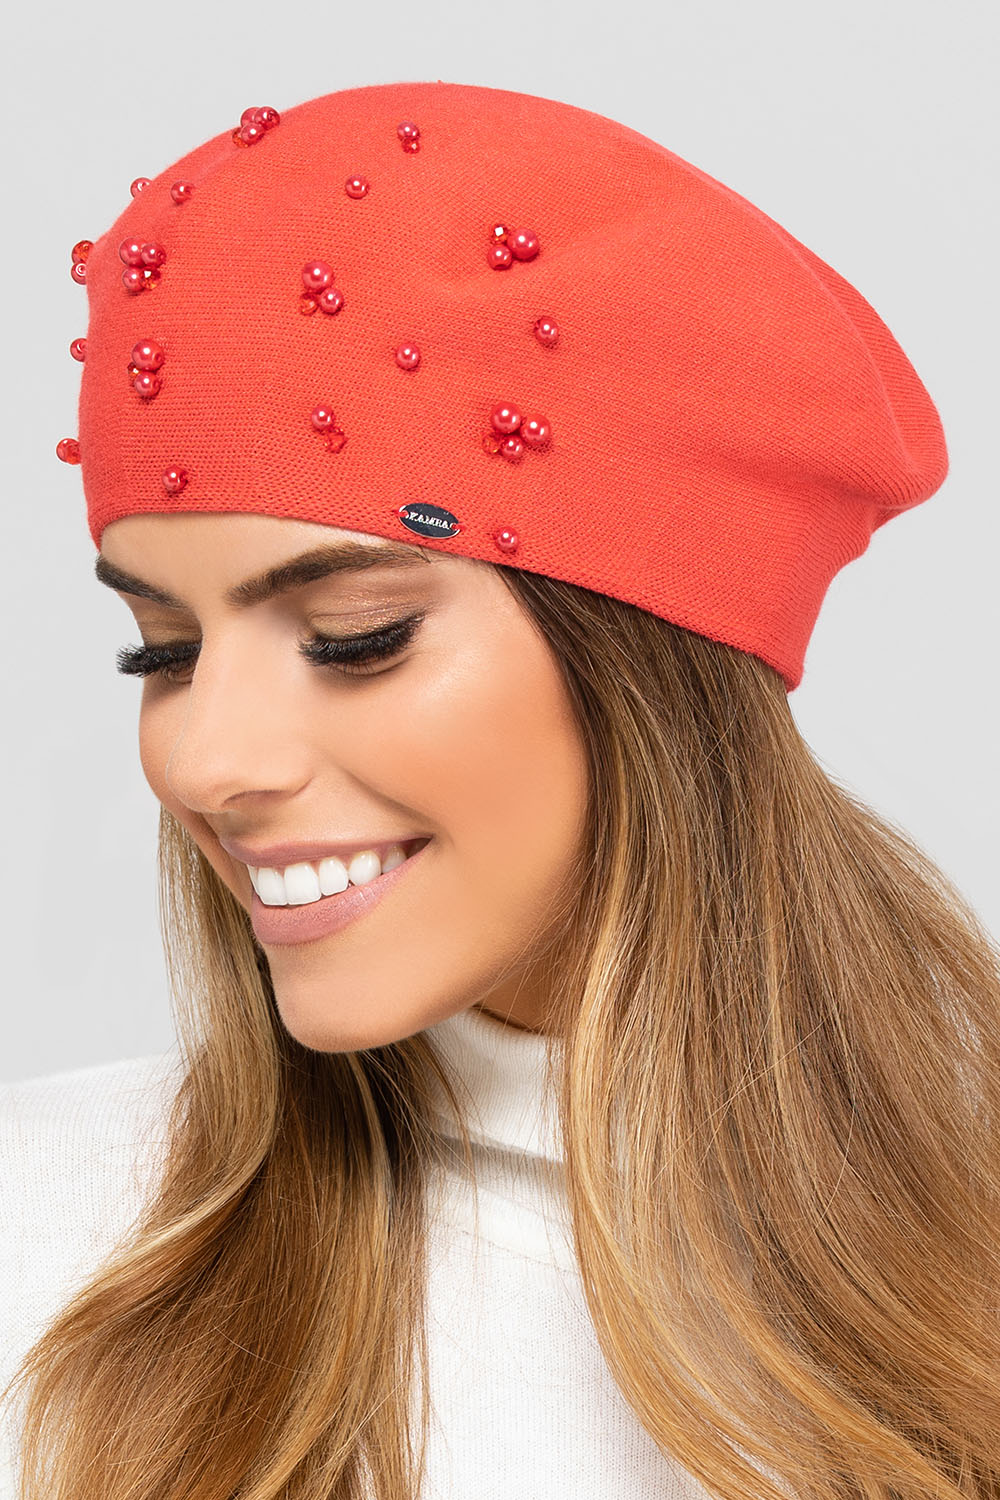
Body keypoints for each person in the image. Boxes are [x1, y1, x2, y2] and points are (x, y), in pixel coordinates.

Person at [2, 78, 998, 1500]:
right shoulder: (47, 1241)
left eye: (356, 637)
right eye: (163, 649)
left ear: (643, 664)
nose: (205, 759)